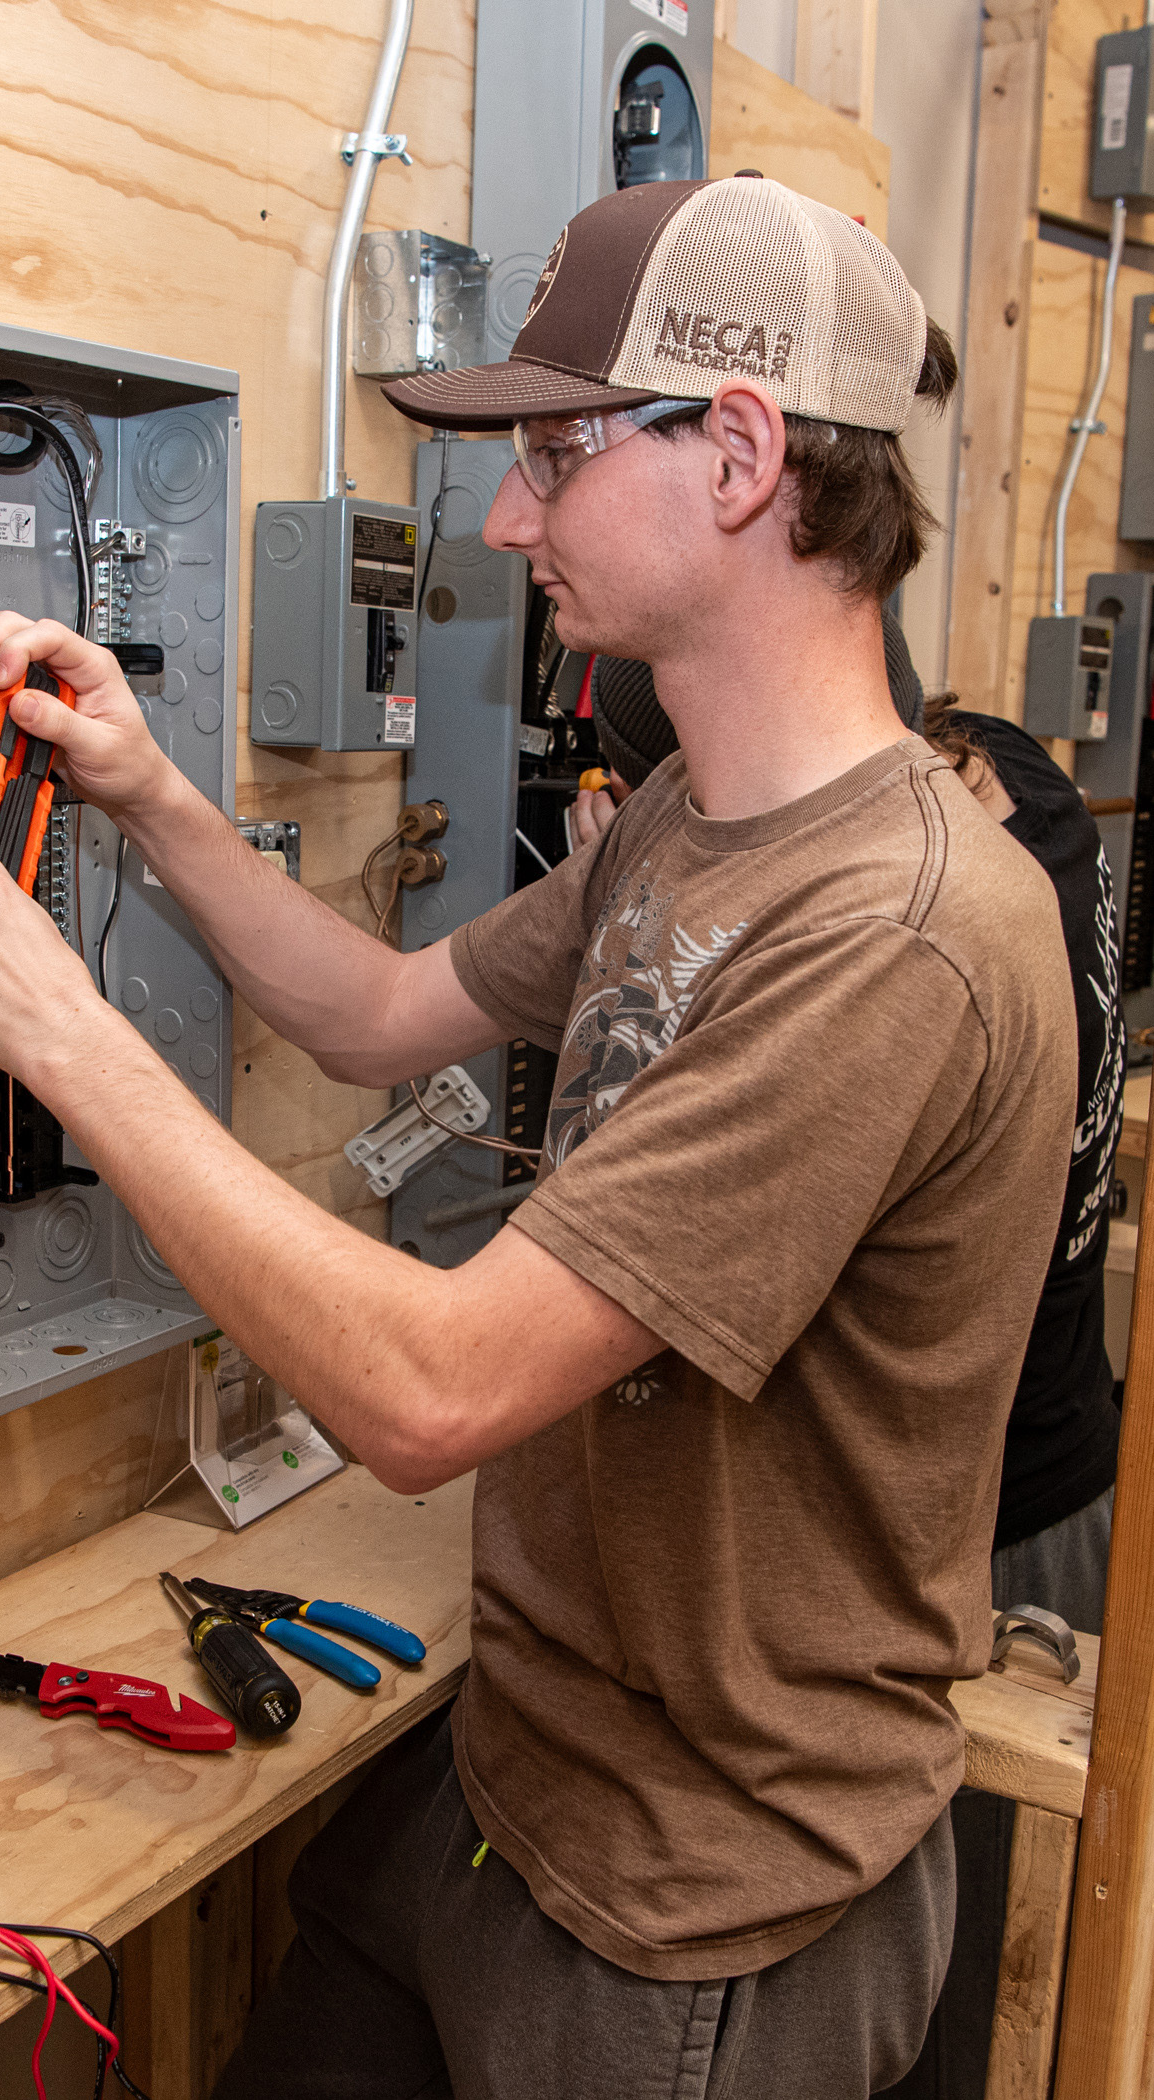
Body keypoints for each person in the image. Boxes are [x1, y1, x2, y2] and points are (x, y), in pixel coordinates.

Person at [0, 176, 1078, 2097]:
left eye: (556, 454)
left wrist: (54, 1029)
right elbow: (371, 1016)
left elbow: (430, 1399)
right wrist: (151, 798)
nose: (510, 516)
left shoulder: (899, 937)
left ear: (744, 454)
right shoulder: (692, 820)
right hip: (515, 1781)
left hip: (700, 1920)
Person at [573, 638, 1125, 2097]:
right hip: (1053, 1465)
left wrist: (649, 924)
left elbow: (765, 1133)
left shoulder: (892, 923)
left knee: (961, 2021)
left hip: (950, 1550)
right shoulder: (1027, 796)